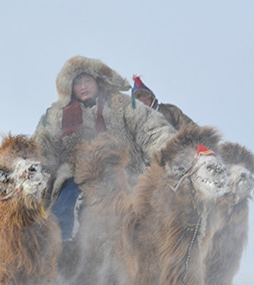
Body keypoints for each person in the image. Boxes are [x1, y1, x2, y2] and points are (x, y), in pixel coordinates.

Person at [33, 55, 177, 240]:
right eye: (78, 83)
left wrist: (172, 153)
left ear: (98, 81)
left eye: (87, 80)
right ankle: (63, 249)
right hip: (75, 178)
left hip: (125, 174)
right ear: (70, 87)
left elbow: (152, 130)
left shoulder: (123, 105)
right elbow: (41, 148)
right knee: (64, 208)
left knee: (147, 219)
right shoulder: (56, 116)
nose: (83, 86)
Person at [131, 75, 196, 131]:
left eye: (145, 98)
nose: (144, 102)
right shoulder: (134, 123)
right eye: (140, 101)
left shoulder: (170, 110)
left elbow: (190, 126)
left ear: (151, 98)